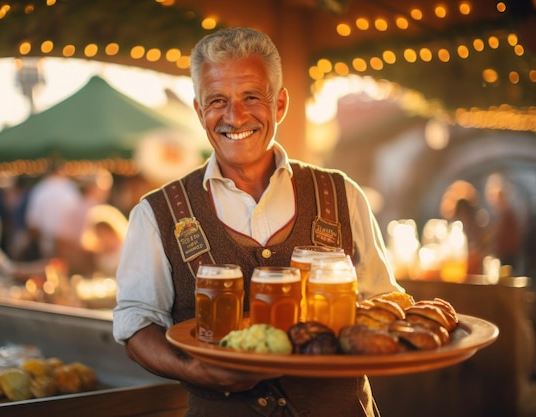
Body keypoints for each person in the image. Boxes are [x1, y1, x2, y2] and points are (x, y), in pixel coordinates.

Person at [113, 27, 402, 416]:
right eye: (217, 100)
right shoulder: (156, 213)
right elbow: (136, 323)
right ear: (199, 111)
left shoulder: (342, 194)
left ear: (279, 104)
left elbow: (383, 304)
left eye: (252, 96)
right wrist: (195, 370)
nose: (235, 116)